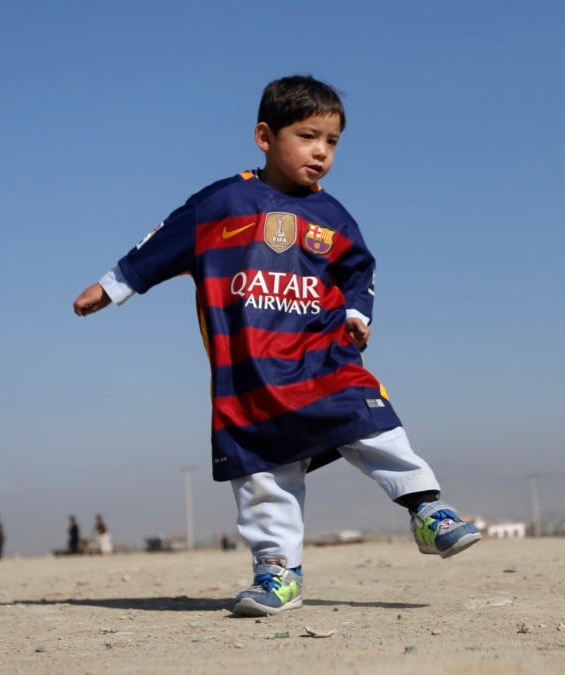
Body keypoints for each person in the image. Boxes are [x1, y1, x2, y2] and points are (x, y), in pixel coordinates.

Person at [71, 75, 480, 617]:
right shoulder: (221, 203)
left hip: (321, 357)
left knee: (373, 420)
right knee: (264, 474)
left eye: (332, 142)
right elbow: (162, 242)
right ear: (265, 136)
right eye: (308, 136)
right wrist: (114, 285)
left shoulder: (334, 217)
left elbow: (360, 270)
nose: (321, 152)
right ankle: (278, 572)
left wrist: (357, 314)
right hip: (248, 375)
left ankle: (428, 510)